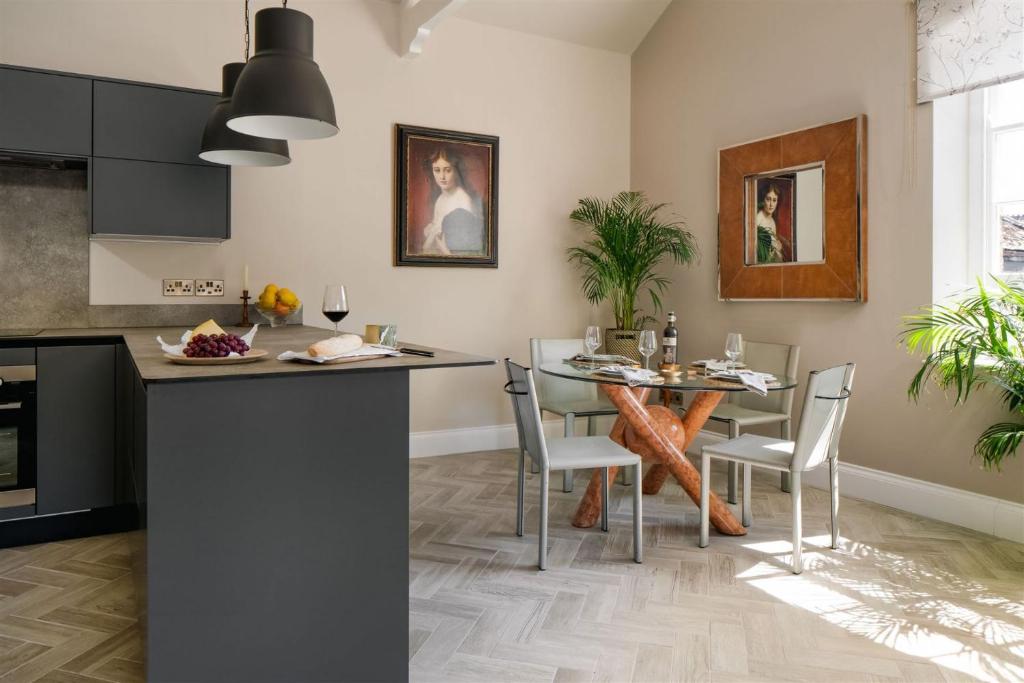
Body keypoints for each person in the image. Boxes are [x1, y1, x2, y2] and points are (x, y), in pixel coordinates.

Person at [419, 146, 484, 255]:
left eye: (447, 170)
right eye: (437, 170)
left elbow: (468, 249)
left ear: (456, 170)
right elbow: (437, 226)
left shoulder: (464, 201)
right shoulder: (440, 199)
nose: (442, 176)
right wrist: (431, 228)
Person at [755, 182, 786, 263]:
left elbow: (773, 241)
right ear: (763, 199)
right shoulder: (758, 218)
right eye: (768, 199)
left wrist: (777, 245)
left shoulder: (772, 222)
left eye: (774, 200)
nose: (771, 204)